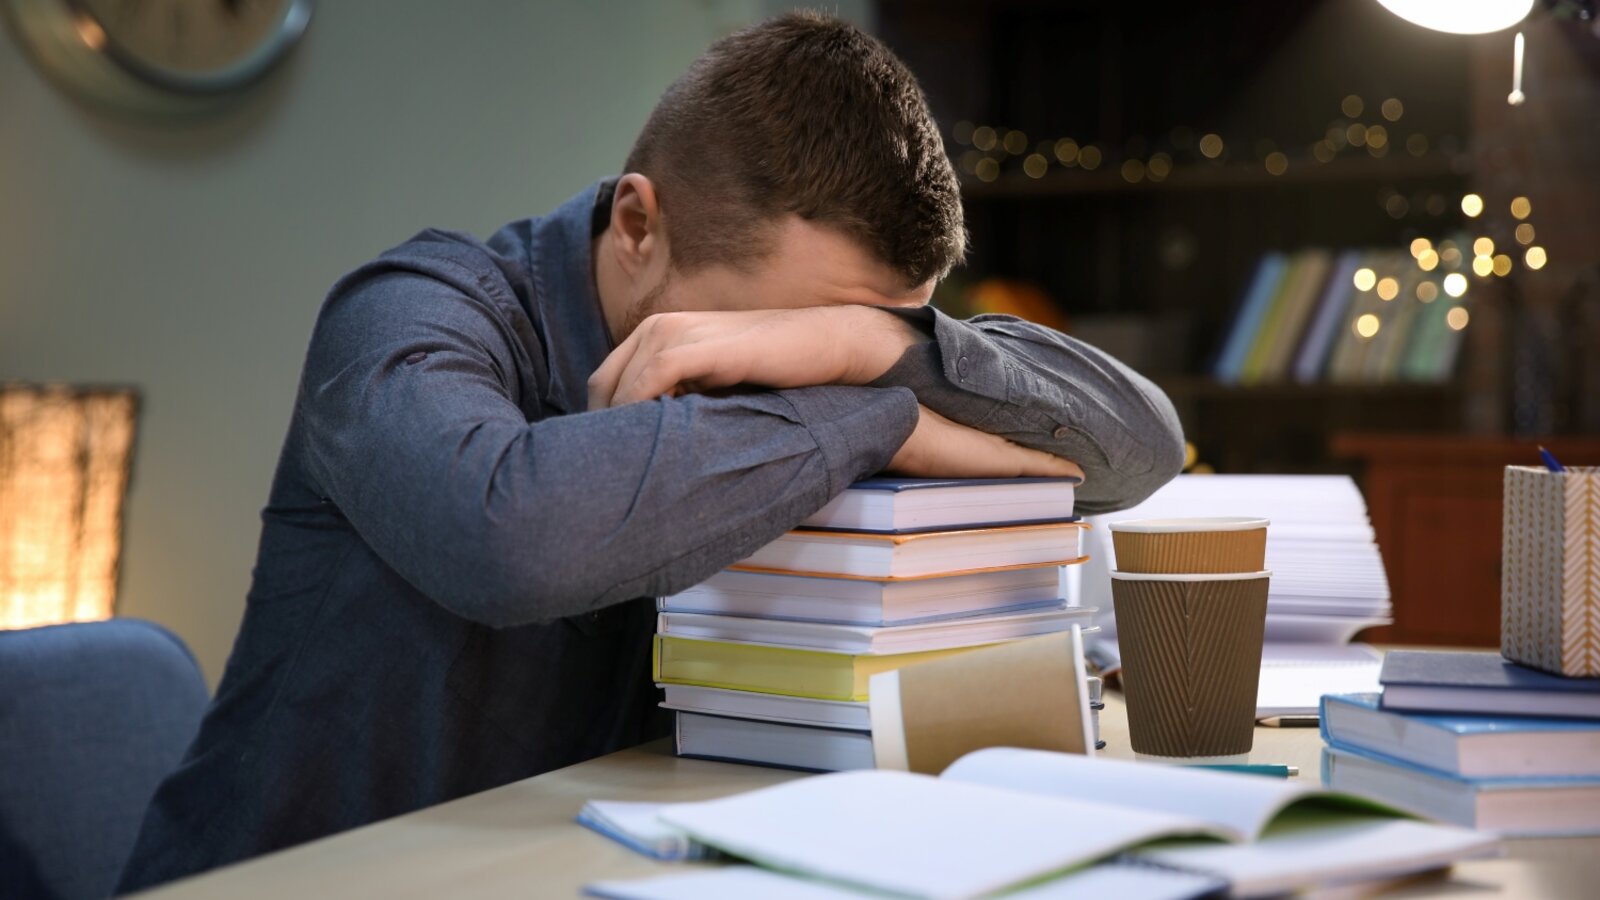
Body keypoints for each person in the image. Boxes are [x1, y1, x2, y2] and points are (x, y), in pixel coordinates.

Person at [116, 12, 1184, 893]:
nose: (801, 379)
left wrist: (874, 345)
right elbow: (514, 538)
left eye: (842, 350)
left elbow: (1141, 449)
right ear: (637, 224)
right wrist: (877, 412)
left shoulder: (861, 332)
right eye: (772, 338)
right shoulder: (408, 318)